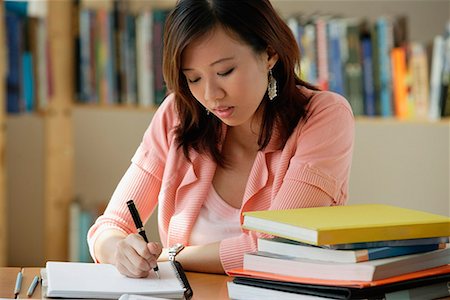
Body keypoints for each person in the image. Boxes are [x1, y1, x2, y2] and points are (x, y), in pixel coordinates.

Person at [87, 0, 354, 277]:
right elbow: (109, 226)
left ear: (269, 53)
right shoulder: (178, 114)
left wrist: (172, 257)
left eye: (224, 72)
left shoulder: (324, 116)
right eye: (193, 79)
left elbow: (278, 246)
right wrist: (119, 250)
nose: (211, 95)